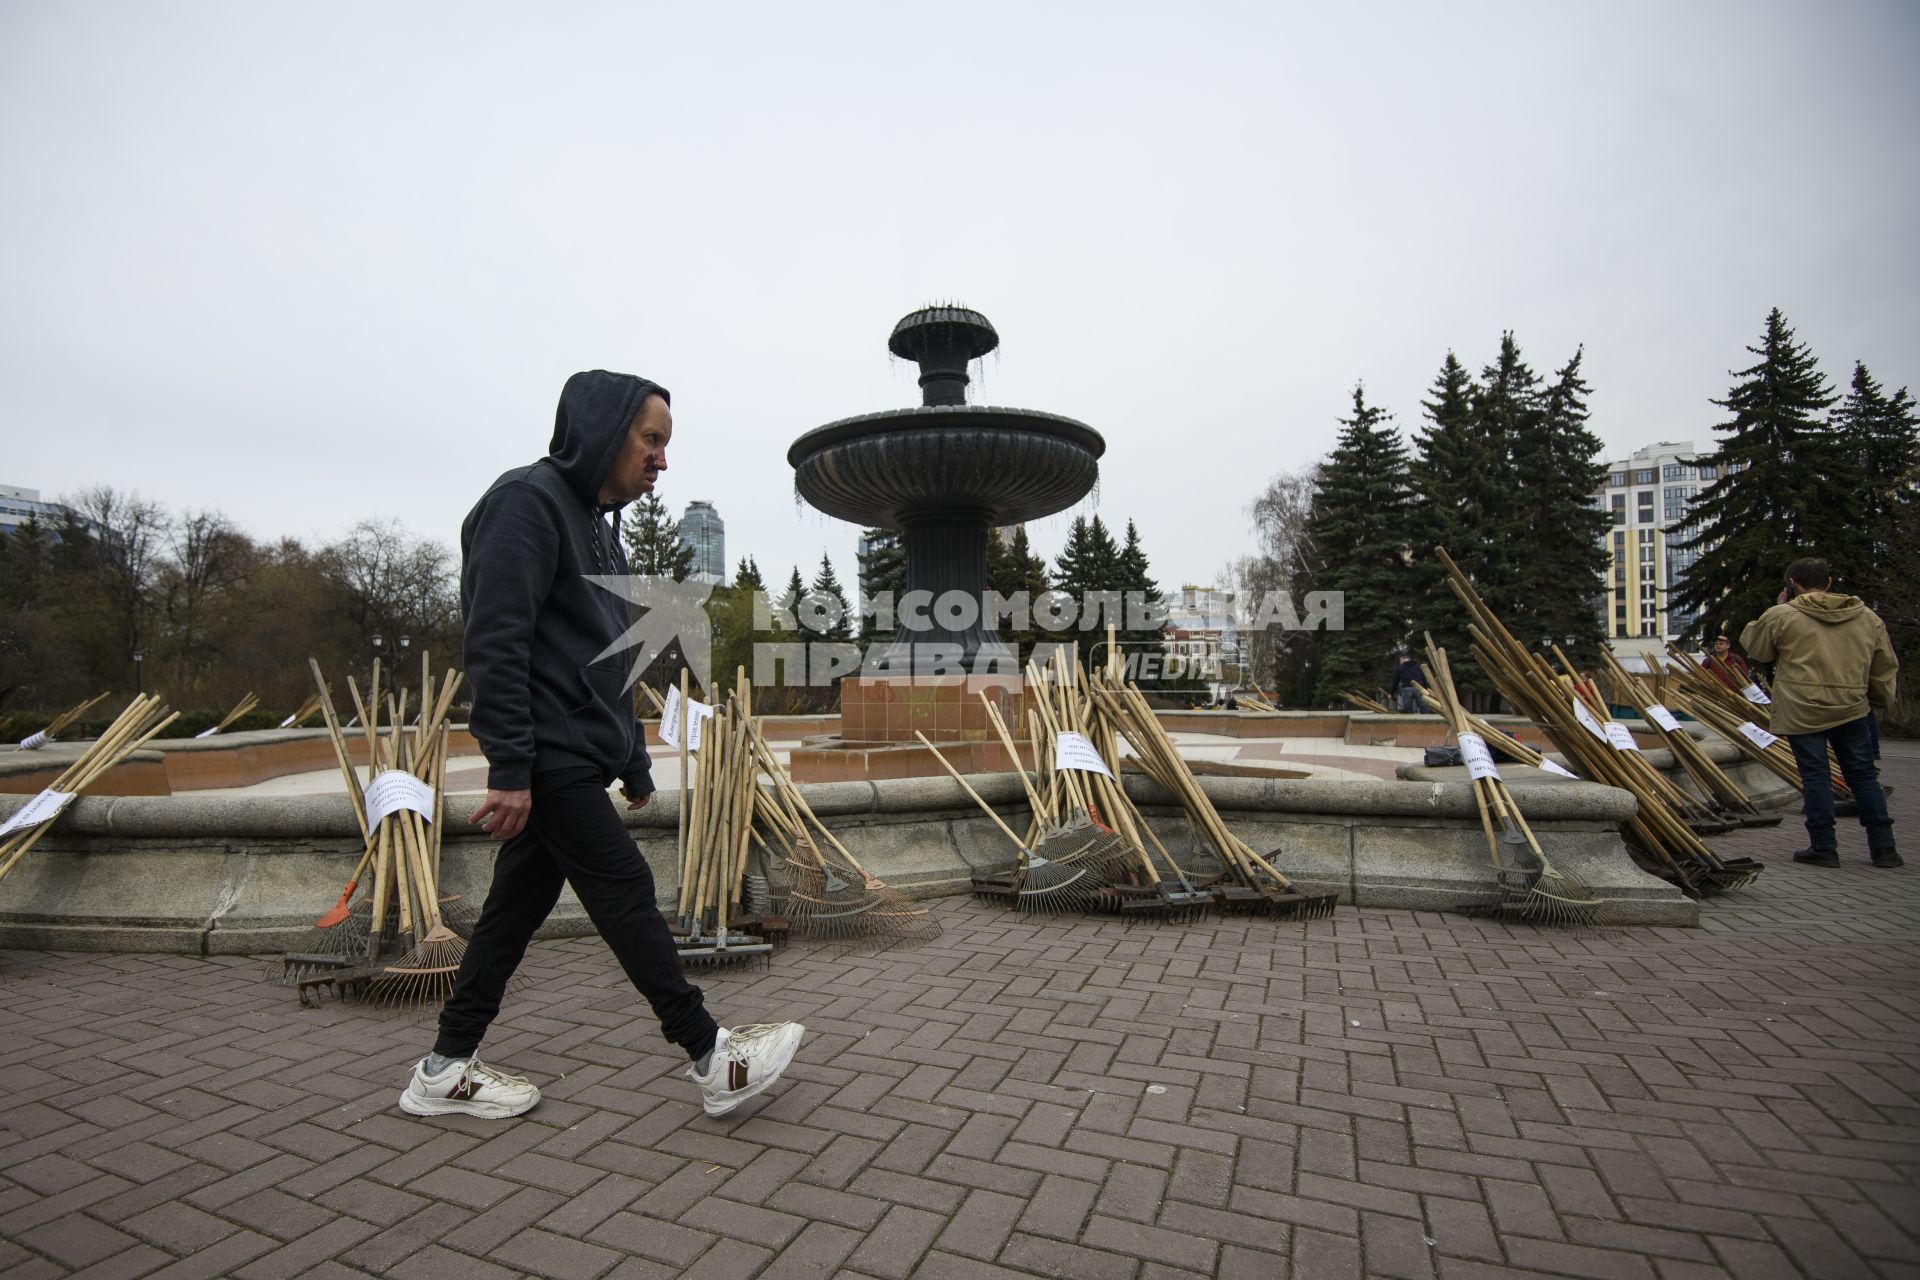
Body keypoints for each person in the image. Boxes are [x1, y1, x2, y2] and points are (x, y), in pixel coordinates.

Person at [399, 370, 805, 1121]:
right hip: (547, 755)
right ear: (601, 429)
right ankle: (713, 1058)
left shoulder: (598, 529)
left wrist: (632, 757)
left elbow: (605, 661)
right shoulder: (526, 503)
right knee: (623, 887)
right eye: (650, 440)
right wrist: (512, 765)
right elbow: (496, 642)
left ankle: (444, 1066)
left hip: (575, 755)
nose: (660, 460)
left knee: (512, 913)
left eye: (665, 445)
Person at [1740, 557, 1900, 869]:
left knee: (1816, 777)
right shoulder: (1867, 618)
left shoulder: (1783, 616)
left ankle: (1824, 846)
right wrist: (1878, 700)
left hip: (1802, 709)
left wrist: (1777, 607)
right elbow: (1884, 668)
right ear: (1828, 582)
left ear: (1792, 584)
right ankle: (1885, 848)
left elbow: (1758, 650)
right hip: (1852, 707)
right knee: (1864, 776)